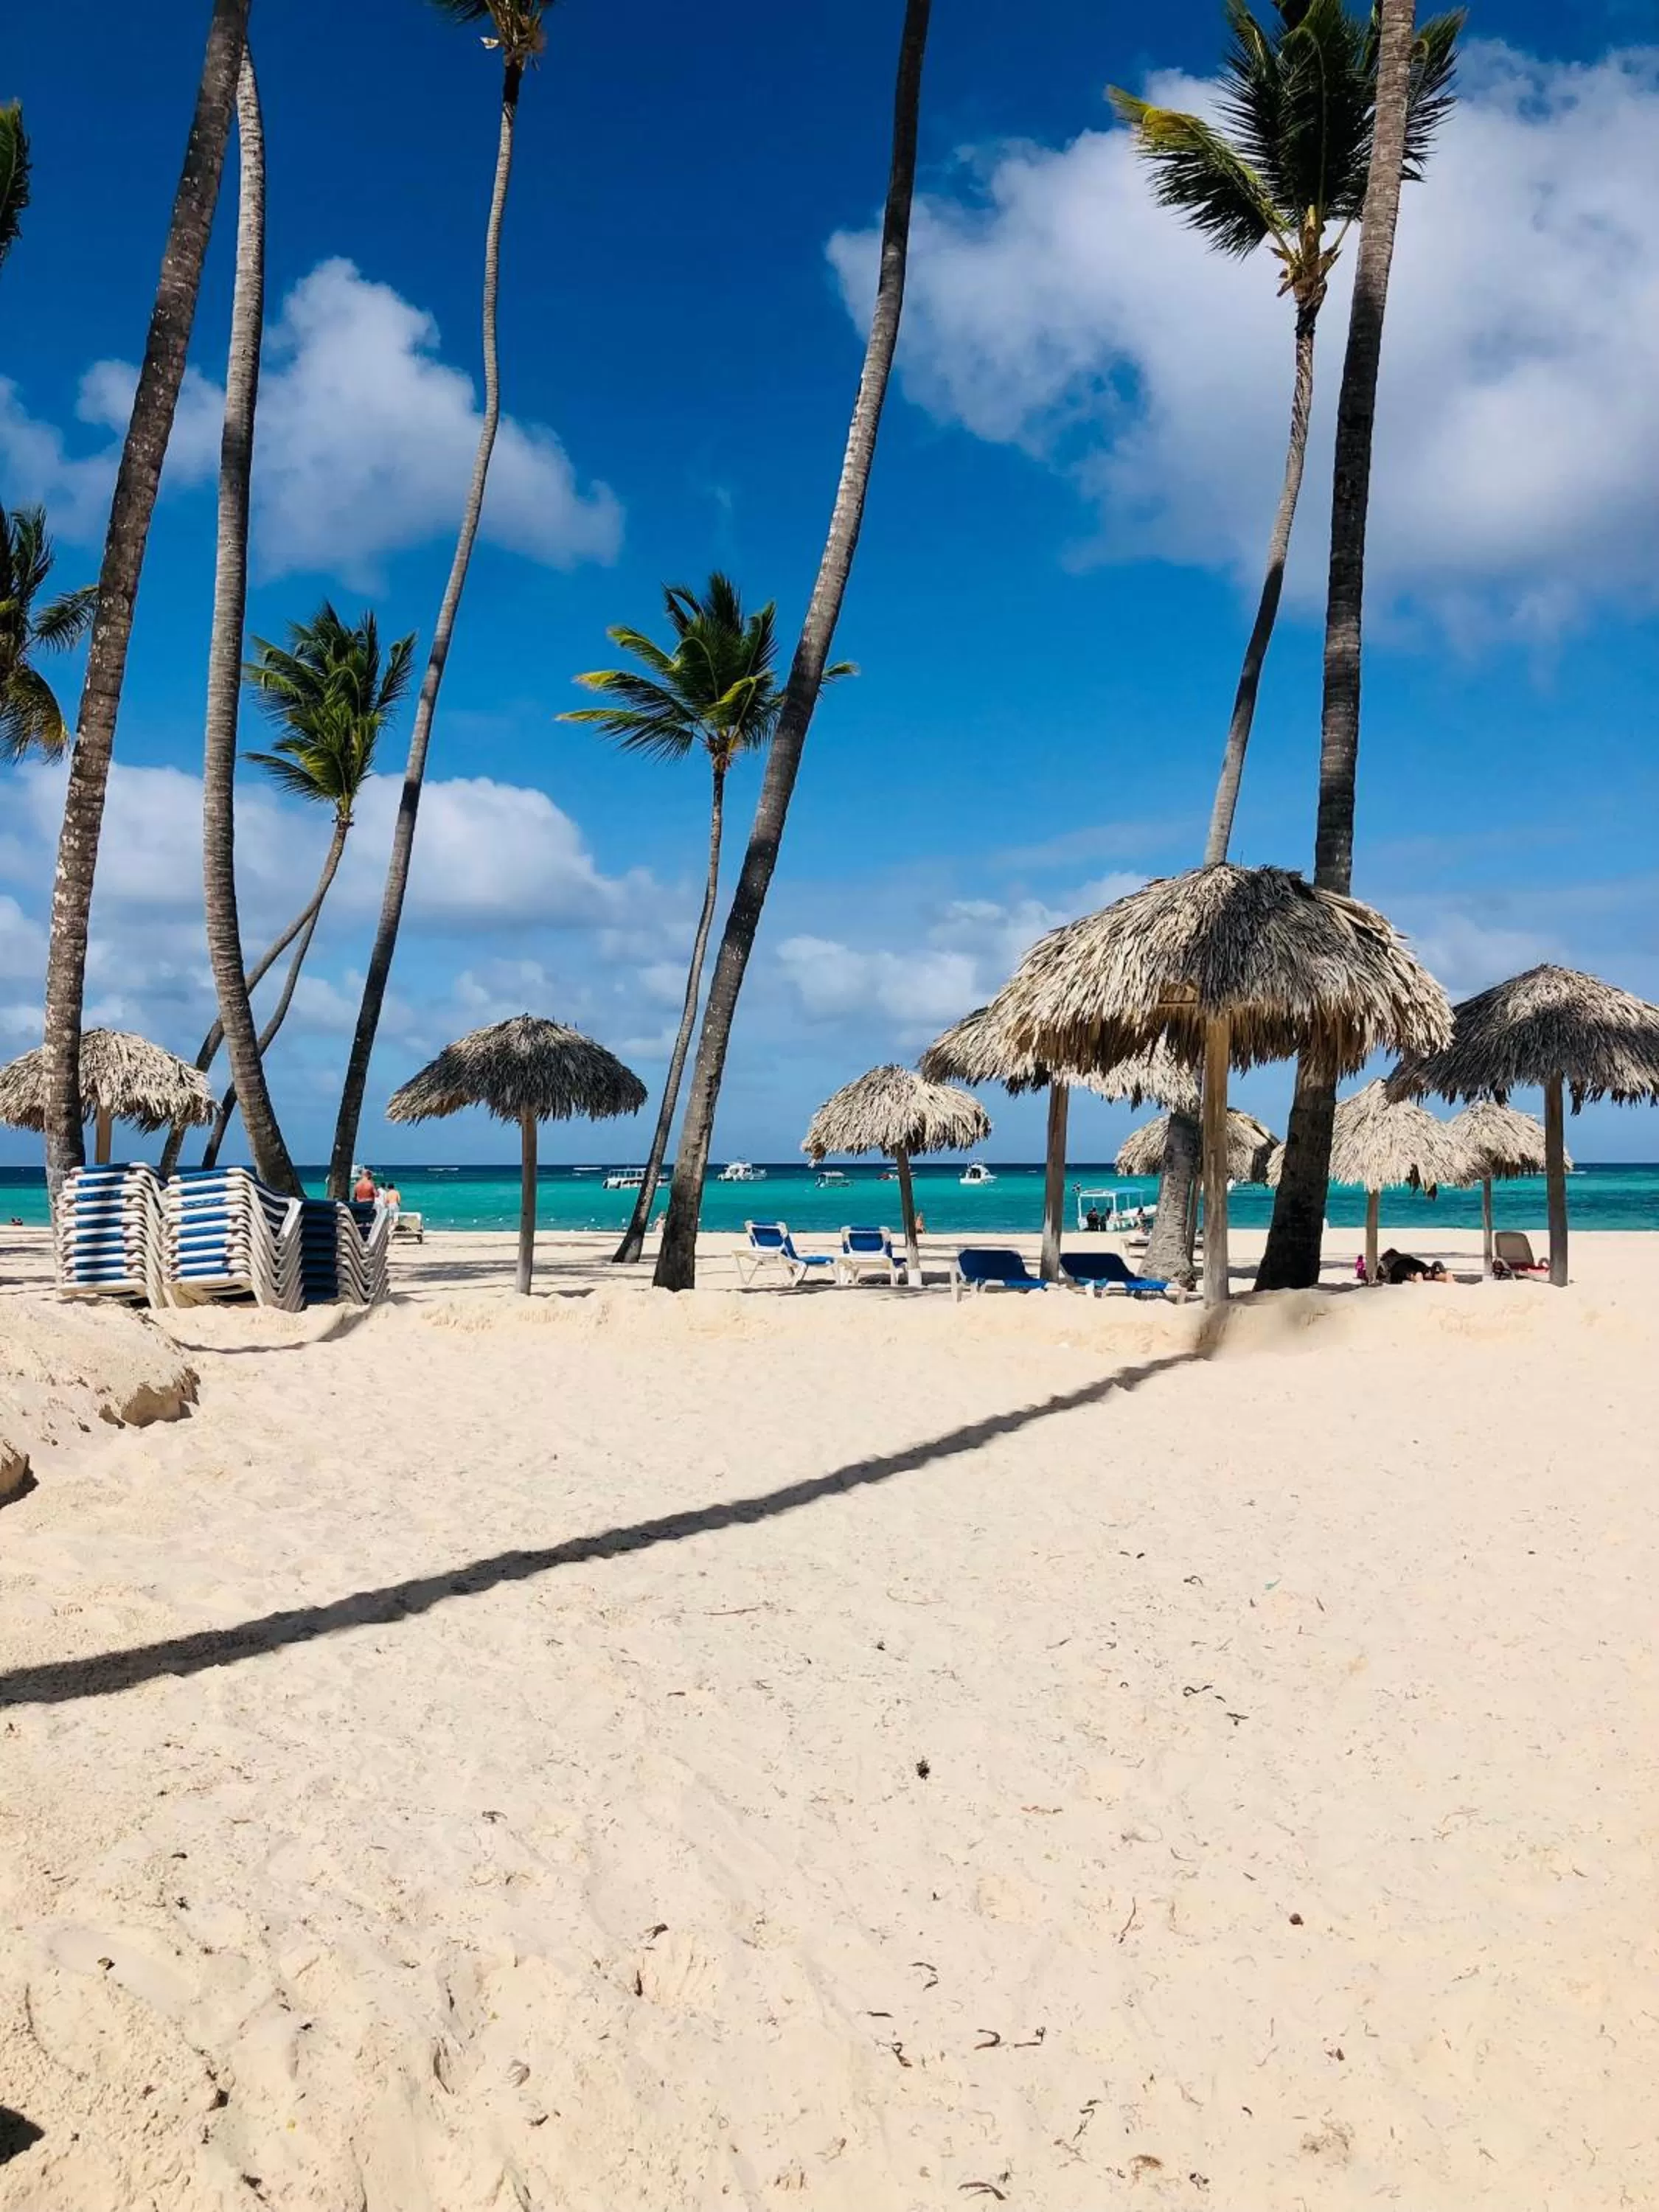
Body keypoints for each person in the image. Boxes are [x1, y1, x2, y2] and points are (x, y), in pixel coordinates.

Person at [1375, 1248, 1447, 1285]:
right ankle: (1445, 1276)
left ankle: (1418, 1277)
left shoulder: (1386, 1260)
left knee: (1412, 1274)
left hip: (1398, 1266)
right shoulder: (1403, 1255)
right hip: (1413, 1261)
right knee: (1428, 1273)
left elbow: (1381, 1272)